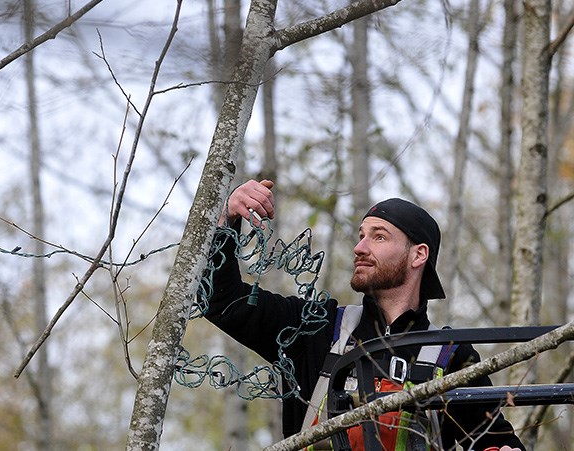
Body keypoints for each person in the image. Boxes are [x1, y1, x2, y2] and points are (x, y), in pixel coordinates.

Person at [204, 179, 524, 450]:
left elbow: (495, 441)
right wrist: (226, 219)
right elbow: (221, 302)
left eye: (379, 236)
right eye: (361, 235)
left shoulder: (452, 356)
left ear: (418, 255)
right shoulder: (315, 327)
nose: (360, 247)